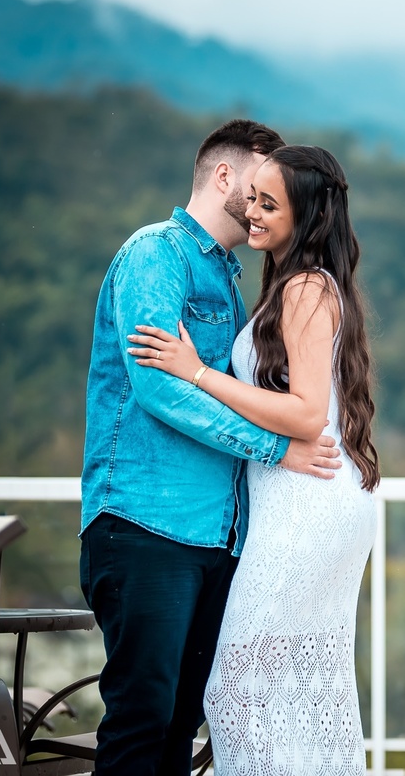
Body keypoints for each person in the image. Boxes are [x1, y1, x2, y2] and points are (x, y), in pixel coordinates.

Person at [80, 120, 343, 776]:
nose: (260, 205)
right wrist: (274, 447)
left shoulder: (229, 280)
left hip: (216, 538)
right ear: (224, 176)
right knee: (141, 720)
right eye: (258, 187)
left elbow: (227, 385)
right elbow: (159, 389)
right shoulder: (155, 255)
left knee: (180, 726)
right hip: (146, 524)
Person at [127, 144, 380, 774]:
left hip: (307, 497)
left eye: (270, 204)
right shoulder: (297, 287)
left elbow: (303, 413)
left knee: (243, 684)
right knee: (278, 684)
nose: (252, 213)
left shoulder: (303, 288)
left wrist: (197, 372)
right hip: (301, 496)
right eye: (252, 198)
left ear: (308, 218)